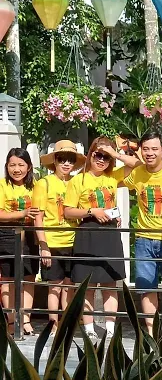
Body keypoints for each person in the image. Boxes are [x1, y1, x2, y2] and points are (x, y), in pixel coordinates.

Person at [64, 136, 140, 339]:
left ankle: (110, 328)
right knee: (87, 285)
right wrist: (91, 211)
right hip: (88, 231)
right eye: (98, 154)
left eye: (106, 157)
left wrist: (115, 153)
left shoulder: (113, 176)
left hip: (109, 232)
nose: (101, 160)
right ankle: (89, 328)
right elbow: (68, 211)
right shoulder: (78, 180)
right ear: (90, 154)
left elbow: (138, 165)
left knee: (110, 284)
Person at [114, 131, 162, 334]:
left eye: (154, 149)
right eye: (145, 149)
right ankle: (152, 334)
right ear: (140, 151)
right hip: (144, 238)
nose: (150, 153)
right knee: (146, 288)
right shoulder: (137, 173)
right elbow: (109, 182)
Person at [33, 140, 86, 336]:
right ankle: (53, 325)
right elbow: (38, 217)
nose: (66, 163)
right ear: (54, 160)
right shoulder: (44, 183)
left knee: (70, 285)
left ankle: (66, 323)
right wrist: (44, 245)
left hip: (74, 240)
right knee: (54, 287)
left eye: (70, 159)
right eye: (62, 159)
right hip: (53, 241)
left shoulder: (77, 182)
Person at [0, 148, 39, 335]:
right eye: (12, 165)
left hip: (30, 234)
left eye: (21, 165)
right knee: (8, 278)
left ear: (29, 167)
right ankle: (11, 321)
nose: (17, 169)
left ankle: (25, 319)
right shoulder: (2, 185)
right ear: (7, 167)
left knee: (29, 277)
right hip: (8, 233)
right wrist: (22, 213)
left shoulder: (36, 185)